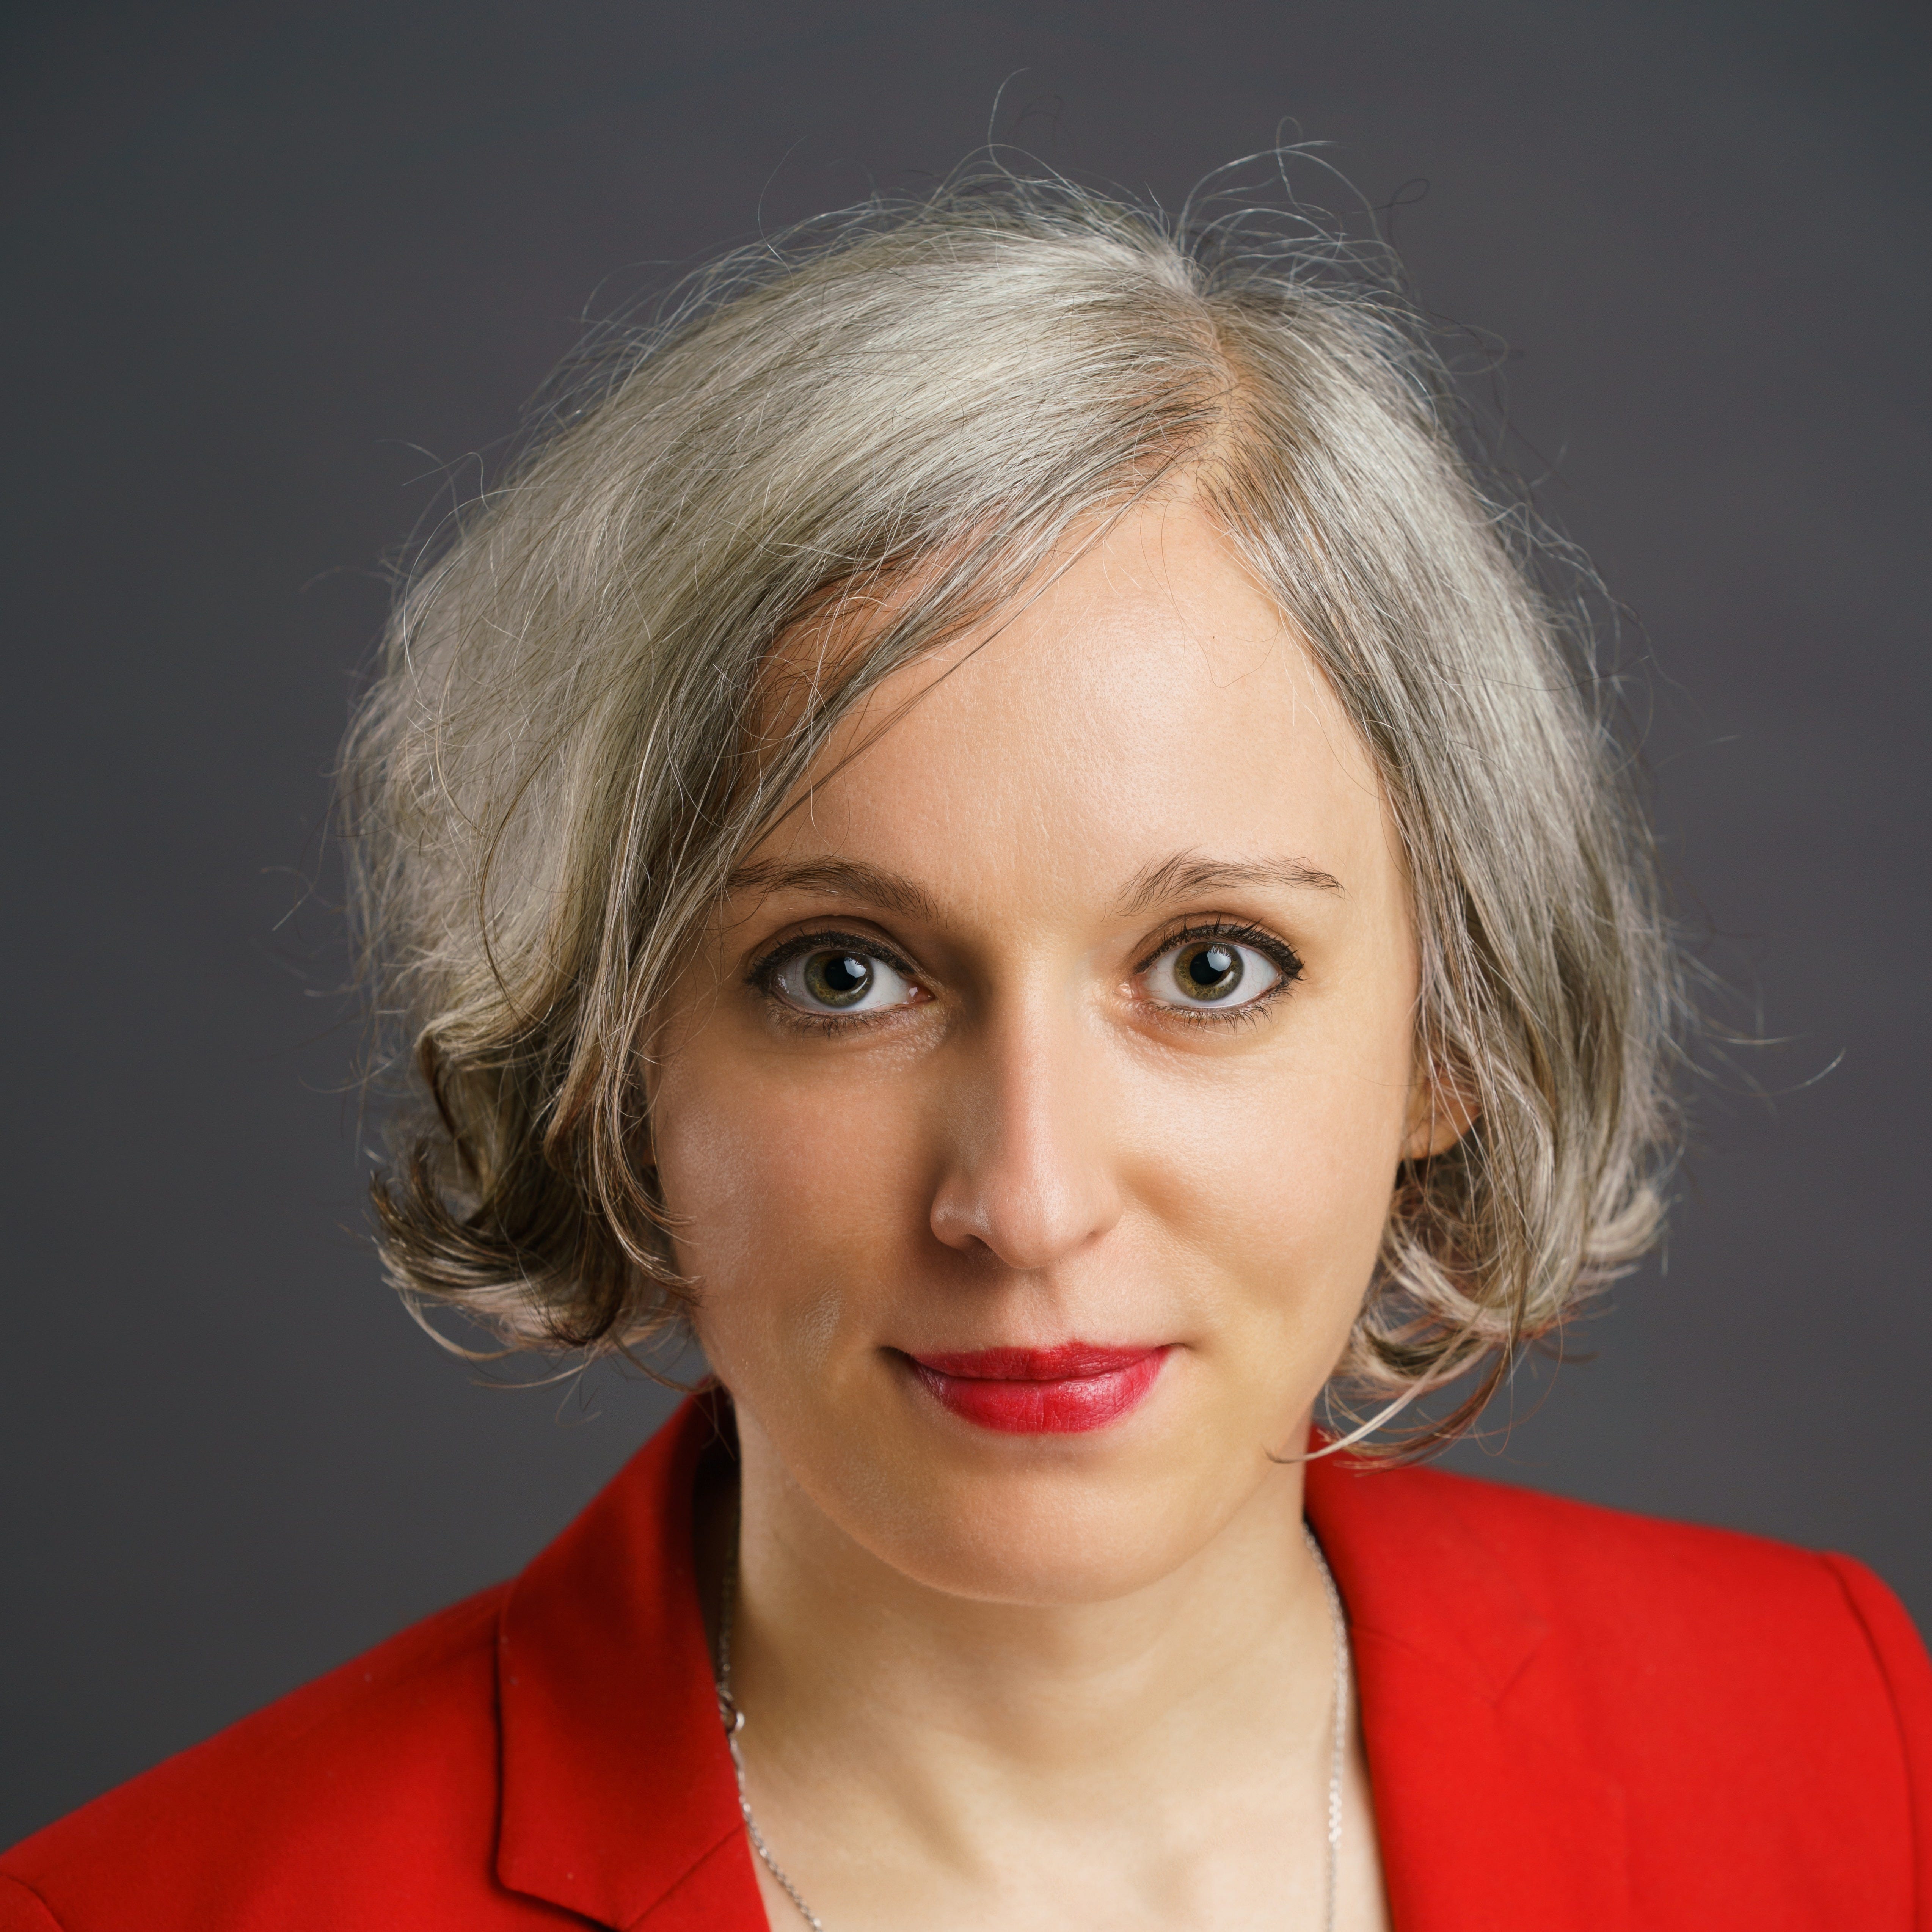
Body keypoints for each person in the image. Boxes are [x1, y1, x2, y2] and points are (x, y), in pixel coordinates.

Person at [4, 173, 1926, 1932]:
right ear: (610, 1060)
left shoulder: (1844, 1727)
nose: (1025, 1199)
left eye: (1210, 964)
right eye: (840, 974)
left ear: (1452, 1032)